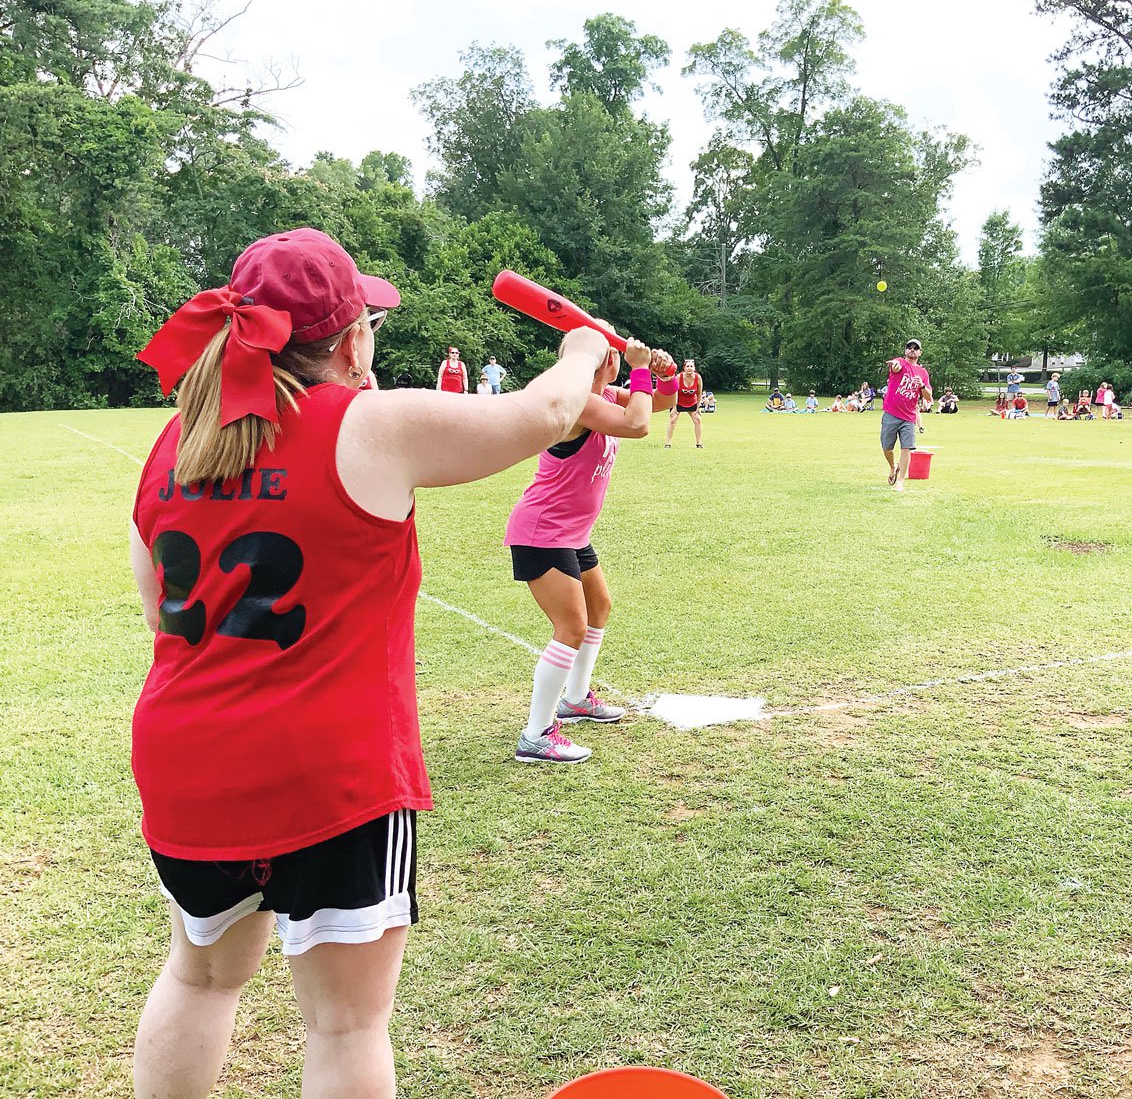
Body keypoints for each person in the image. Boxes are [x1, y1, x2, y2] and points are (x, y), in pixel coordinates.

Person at [127, 227, 610, 1099]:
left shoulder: (175, 445)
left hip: (188, 763)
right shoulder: (368, 423)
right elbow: (543, 414)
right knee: (346, 1026)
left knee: (198, 978)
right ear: (351, 340)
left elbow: (160, 615)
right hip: (332, 776)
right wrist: (581, 347)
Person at [505, 334, 678, 764]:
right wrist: (640, 368)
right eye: (614, 354)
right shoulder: (580, 403)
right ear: (603, 362)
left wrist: (667, 375)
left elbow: (653, 404)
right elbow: (637, 425)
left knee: (598, 608)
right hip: (542, 532)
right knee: (572, 626)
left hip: (571, 533)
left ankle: (577, 699)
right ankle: (536, 734)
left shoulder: (603, 394)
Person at [881, 339, 932, 490]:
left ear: (920, 353)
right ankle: (893, 467)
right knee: (887, 447)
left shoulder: (923, 373)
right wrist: (895, 366)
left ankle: (900, 481)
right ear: (905, 351)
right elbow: (895, 367)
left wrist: (921, 385)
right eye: (909, 347)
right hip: (891, 412)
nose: (912, 350)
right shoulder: (900, 362)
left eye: (916, 348)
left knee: (906, 447)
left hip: (909, 417)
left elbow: (928, 396)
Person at [666, 358, 705, 447]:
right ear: (684, 368)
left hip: (692, 402)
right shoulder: (679, 377)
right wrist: (674, 407)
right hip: (678, 402)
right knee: (673, 420)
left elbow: (699, 393)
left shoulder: (698, 377)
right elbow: (674, 392)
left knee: (698, 420)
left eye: (691, 366)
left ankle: (699, 443)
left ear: (694, 368)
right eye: (687, 366)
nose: (689, 368)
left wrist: (698, 407)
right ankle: (668, 443)